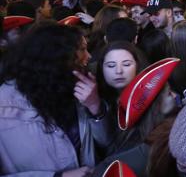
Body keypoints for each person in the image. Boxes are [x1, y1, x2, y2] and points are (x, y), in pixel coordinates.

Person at [0, 23, 111, 176]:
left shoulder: (77, 89)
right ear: (57, 57)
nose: (89, 56)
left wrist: (95, 107)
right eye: (82, 50)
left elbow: (106, 143)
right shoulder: (5, 107)